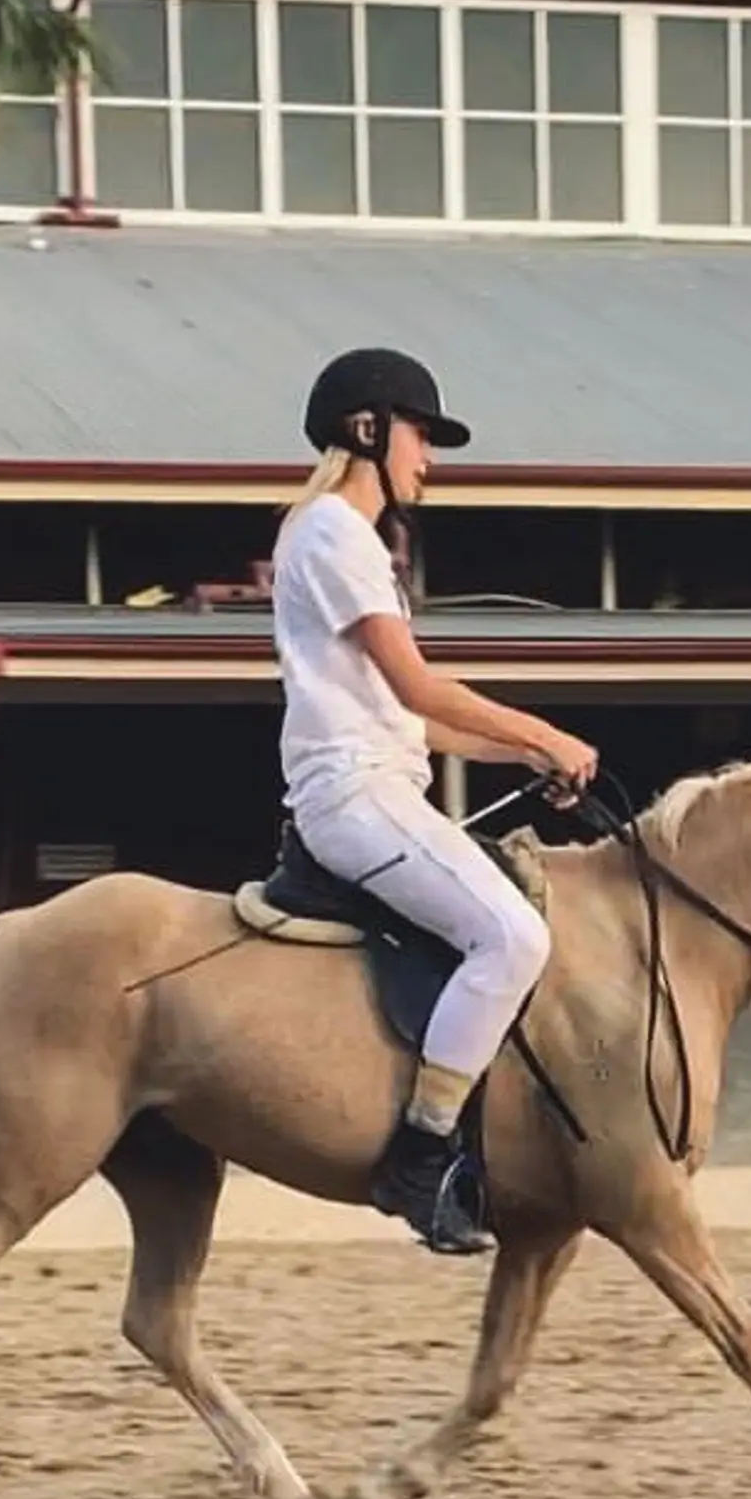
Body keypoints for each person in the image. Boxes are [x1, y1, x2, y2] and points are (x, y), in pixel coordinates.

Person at [270, 346, 599, 1254]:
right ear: (367, 431)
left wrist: (523, 756)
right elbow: (418, 686)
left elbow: (417, 723)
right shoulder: (336, 535)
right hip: (354, 794)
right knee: (513, 937)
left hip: (381, 782)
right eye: (420, 435)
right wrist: (545, 732)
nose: (429, 458)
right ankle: (420, 1158)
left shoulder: (345, 541)